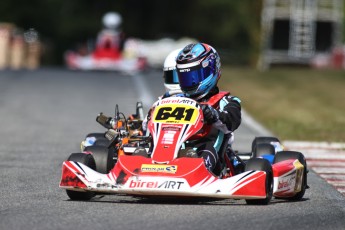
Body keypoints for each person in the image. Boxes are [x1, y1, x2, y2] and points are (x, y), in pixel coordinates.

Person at [175, 43, 242, 174]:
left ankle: (196, 170)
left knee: (206, 149)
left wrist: (213, 114)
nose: (189, 82)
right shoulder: (176, 100)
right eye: (185, 77)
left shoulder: (226, 101)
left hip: (210, 152)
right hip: (176, 147)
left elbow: (231, 122)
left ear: (210, 70)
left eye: (193, 77)